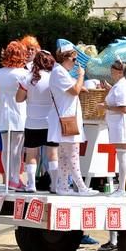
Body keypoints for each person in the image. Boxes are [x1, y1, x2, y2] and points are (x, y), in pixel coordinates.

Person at [48, 43, 98, 196]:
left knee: (64, 155)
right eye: (75, 59)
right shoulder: (59, 72)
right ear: (66, 58)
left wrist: (80, 85)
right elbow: (75, 90)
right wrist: (82, 75)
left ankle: (63, 186)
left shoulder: (61, 71)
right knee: (73, 154)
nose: (76, 63)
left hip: (65, 118)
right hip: (66, 119)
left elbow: (73, 88)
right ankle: (81, 187)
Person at [16, 50, 58, 193]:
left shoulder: (27, 78)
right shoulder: (53, 78)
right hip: (50, 121)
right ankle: (54, 184)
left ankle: (31, 184)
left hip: (32, 121)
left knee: (32, 154)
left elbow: (19, 99)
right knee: (52, 153)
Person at [98, 59, 126, 197]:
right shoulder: (120, 85)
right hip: (120, 124)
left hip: (121, 124)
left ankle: (122, 189)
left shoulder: (121, 86)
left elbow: (124, 108)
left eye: (113, 69)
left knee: (123, 156)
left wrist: (106, 107)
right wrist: (109, 88)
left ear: (120, 72)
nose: (111, 70)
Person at [0, 41, 28, 190]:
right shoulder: (24, 74)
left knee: (6, 149)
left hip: (3, 113)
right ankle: (15, 178)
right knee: (16, 149)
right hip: (19, 112)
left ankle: (8, 178)